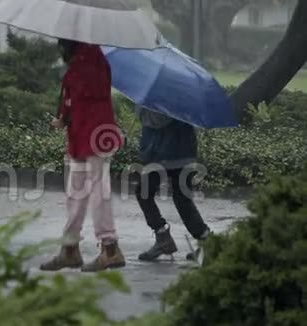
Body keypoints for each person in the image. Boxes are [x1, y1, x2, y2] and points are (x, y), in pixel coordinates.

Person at [40, 39, 125, 272]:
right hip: (81, 134)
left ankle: (110, 248)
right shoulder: (81, 63)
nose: (61, 49)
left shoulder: (90, 63)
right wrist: (64, 117)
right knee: (76, 191)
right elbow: (77, 101)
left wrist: (70, 80)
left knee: (98, 190)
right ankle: (70, 248)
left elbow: (90, 92)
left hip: (95, 135)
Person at [134, 106, 210, 262]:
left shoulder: (160, 95)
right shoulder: (184, 91)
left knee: (144, 193)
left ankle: (163, 237)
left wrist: (140, 108)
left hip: (161, 152)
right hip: (183, 150)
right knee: (183, 200)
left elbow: (155, 120)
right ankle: (207, 241)